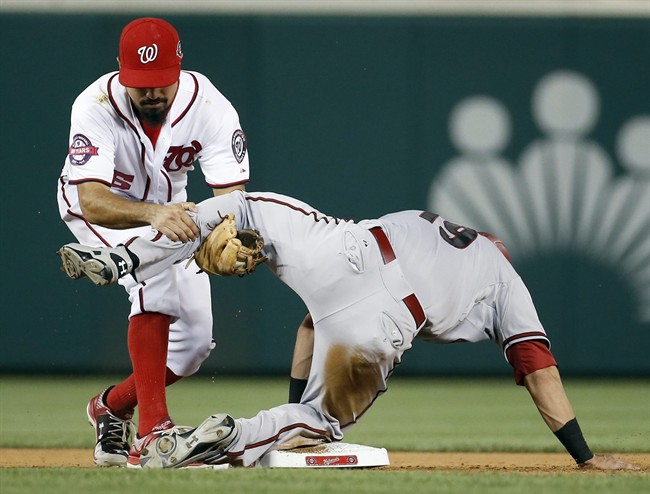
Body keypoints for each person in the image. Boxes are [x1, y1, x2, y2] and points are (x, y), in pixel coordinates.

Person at [57, 190, 640, 471]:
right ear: (502, 251)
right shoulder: (506, 278)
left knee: (242, 209)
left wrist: (297, 394)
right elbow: (539, 368)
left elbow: (311, 325)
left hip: (347, 248)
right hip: (383, 323)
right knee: (316, 422)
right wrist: (584, 458)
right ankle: (227, 436)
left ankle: (129, 257)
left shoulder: (433, 222)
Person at [56, 17, 254, 468]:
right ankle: (154, 435)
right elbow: (92, 199)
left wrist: (217, 232)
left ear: (179, 71)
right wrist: (153, 216)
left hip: (174, 211)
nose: (150, 93)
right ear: (120, 72)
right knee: (157, 283)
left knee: (195, 345)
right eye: (140, 83)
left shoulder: (210, 107)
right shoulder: (95, 104)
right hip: (103, 207)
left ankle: (112, 405)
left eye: (160, 82)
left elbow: (231, 199)